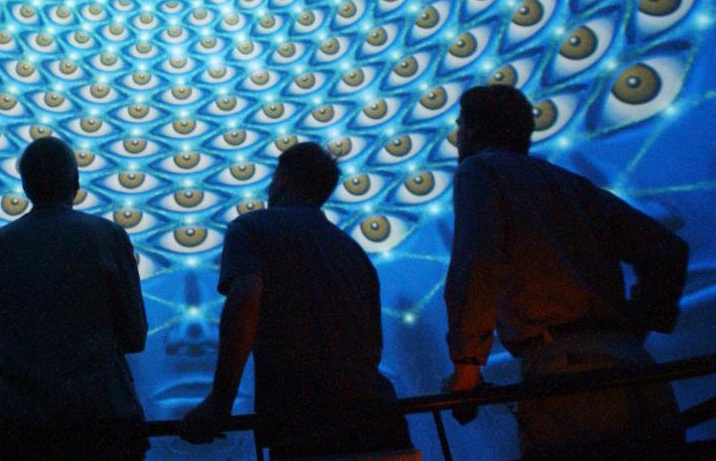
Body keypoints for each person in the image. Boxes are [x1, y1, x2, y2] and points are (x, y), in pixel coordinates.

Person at [443, 84, 689, 458]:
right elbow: (667, 251)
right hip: (636, 370)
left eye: (460, 125)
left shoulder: (479, 171)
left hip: (567, 379)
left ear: (473, 131)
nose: (458, 137)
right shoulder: (573, 184)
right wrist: (632, 331)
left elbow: (476, 266)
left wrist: (466, 373)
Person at [181, 142, 413, 458]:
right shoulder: (353, 251)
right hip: (382, 422)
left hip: (304, 425)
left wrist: (220, 402)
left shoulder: (251, 227)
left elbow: (245, 301)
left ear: (283, 180)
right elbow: (372, 343)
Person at [0, 136, 149, 461]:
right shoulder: (108, 238)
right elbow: (135, 335)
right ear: (75, 181)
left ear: (26, 186)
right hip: (101, 418)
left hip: (18, 421)